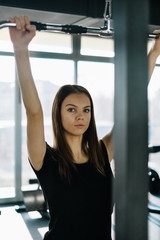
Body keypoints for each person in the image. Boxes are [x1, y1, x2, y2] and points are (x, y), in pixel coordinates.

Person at [7, 16, 160, 240]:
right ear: (58, 115)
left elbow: (131, 104)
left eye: (86, 110)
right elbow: (34, 113)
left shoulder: (102, 154)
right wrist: (20, 49)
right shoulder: (46, 160)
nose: (80, 116)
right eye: (71, 109)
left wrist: (154, 53)